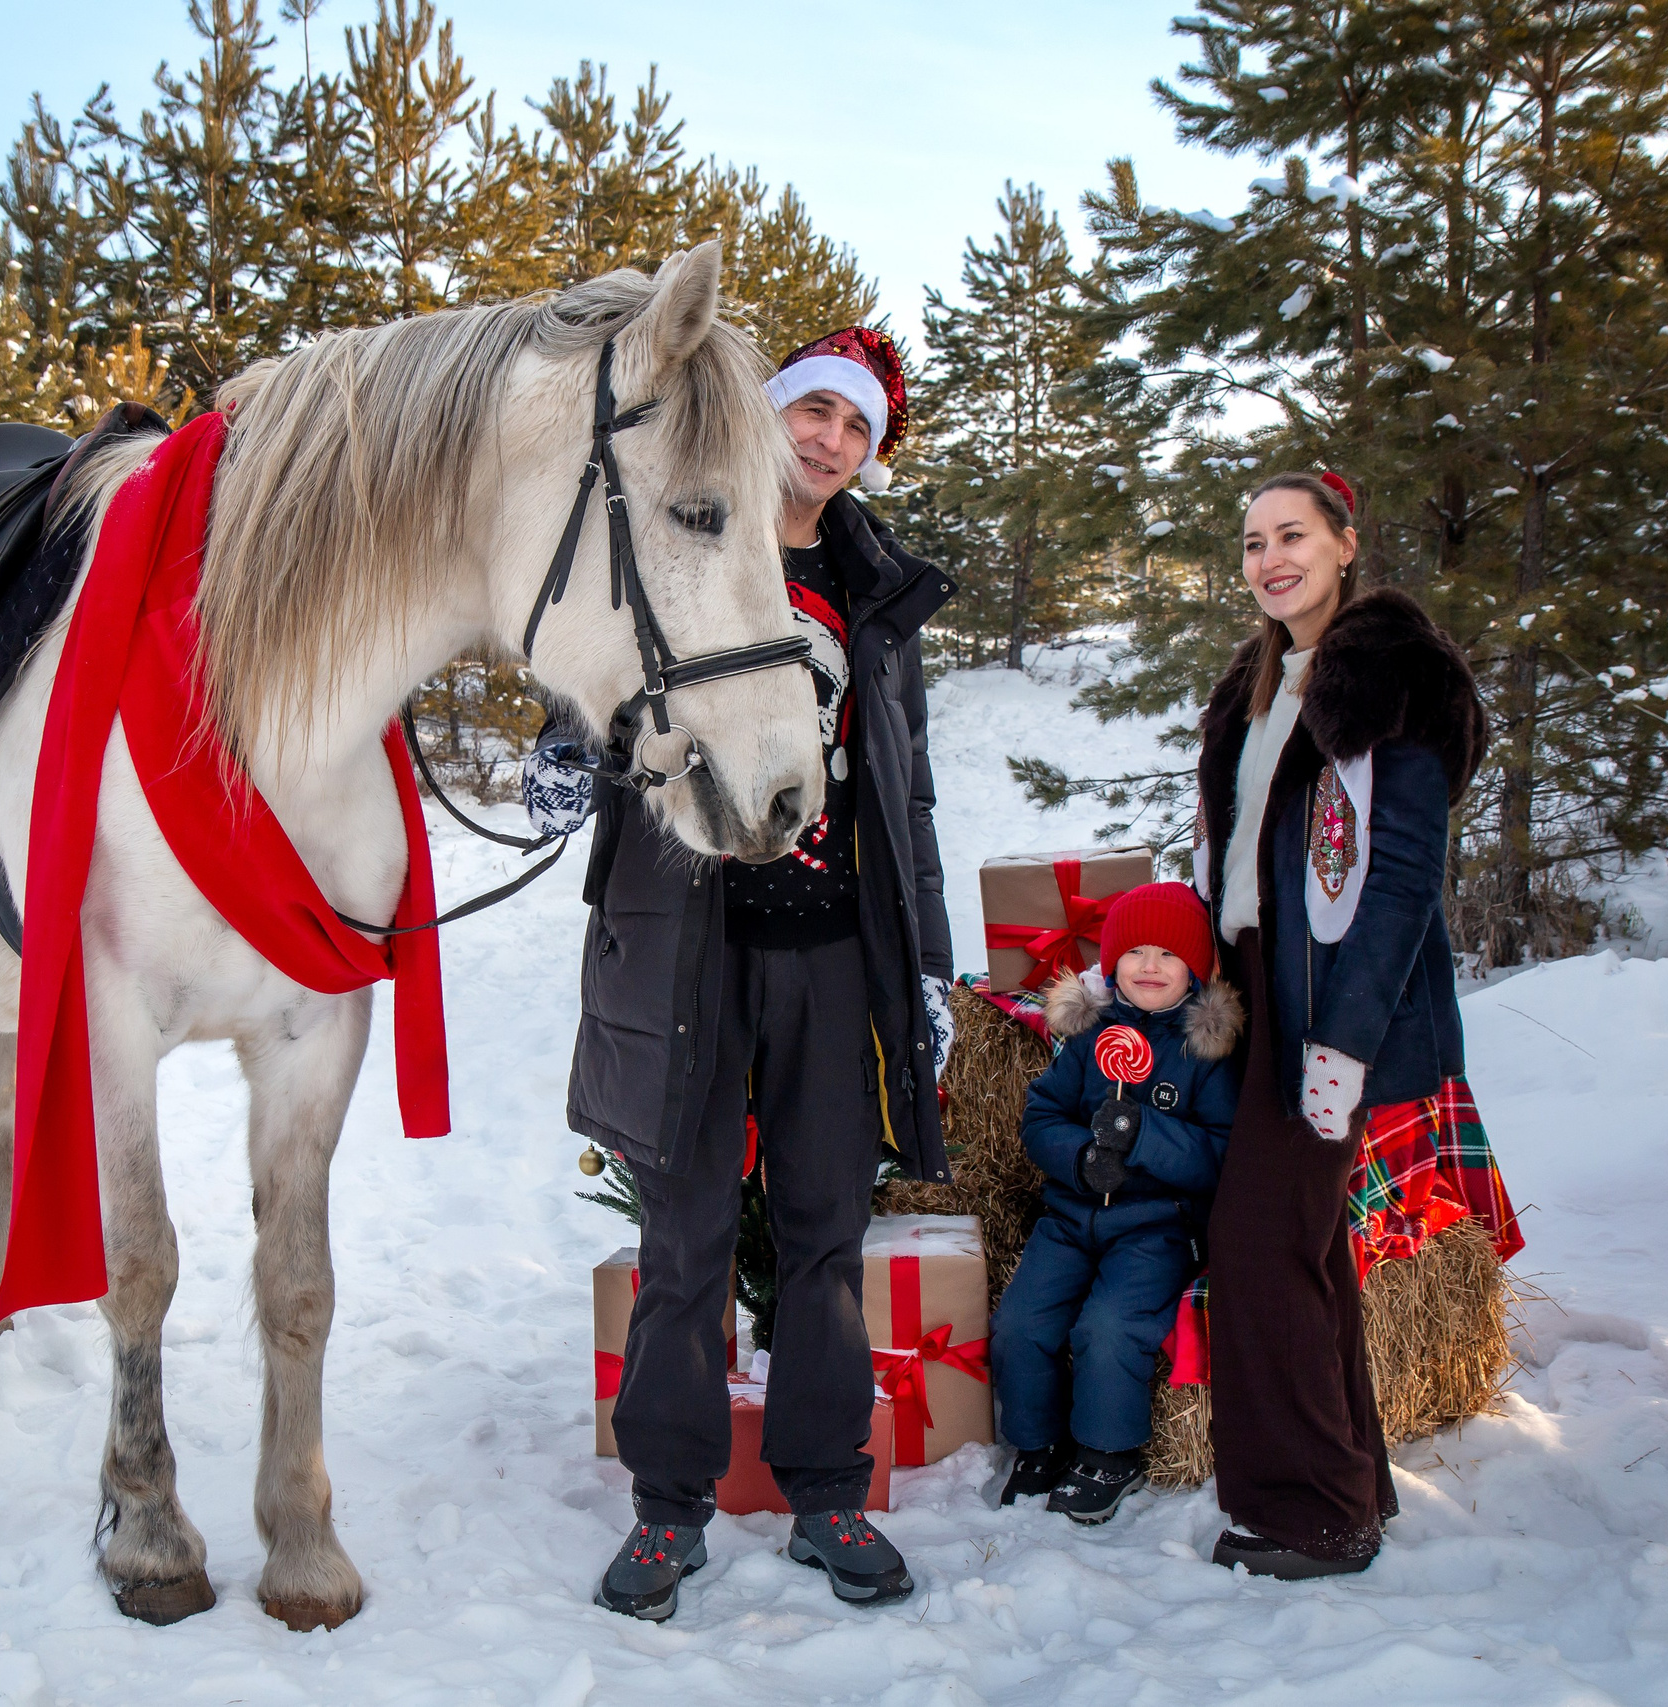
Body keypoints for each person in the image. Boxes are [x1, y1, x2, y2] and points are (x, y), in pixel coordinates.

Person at [525, 327, 959, 1622]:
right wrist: (567, 742)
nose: (827, 440)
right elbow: (595, 670)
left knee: (829, 1234)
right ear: (770, 417)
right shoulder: (683, 537)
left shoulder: (874, 592)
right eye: (813, 411)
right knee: (686, 1234)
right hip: (690, 949)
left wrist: (925, 967)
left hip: (832, 954)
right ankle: (668, 1507)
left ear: (869, 453)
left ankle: (828, 1488)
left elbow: (909, 794)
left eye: (855, 428)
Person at [1190, 471, 1486, 1580]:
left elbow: (1403, 874)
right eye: (1254, 541)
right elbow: (1240, 859)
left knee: (1260, 1246)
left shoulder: (1391, 677)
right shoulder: (1263, 682)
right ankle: (1351, 1479)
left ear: (1346, 544)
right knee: (1304, 1247)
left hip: (1331, 1001)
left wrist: (1343, 1042)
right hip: (1264, 987)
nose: (1271, 558)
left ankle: (1310, 1512)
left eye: (1293, 535)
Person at [993, 881, 1240, 1523]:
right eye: (1134, 953)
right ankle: (1038, 1441)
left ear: (1195, 968)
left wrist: (1144, 1137)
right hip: (1070, 1217)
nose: (1149, 967)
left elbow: (1219, 1152)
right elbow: (1041, 1118)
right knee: (1021, 1324)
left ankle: (1109, 1452)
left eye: (1167, 954)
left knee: (1108, 1328)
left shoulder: (1205, 1052)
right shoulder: (1089, 1038)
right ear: (1111, 965)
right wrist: (1080, 1156)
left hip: (1153, 1228)